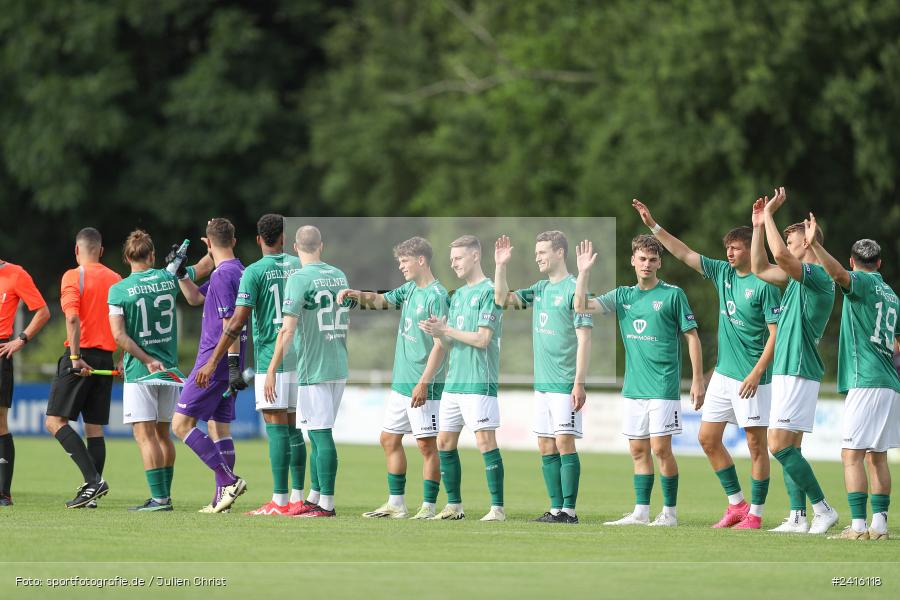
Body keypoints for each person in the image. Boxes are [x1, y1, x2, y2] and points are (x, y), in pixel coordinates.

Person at [631, 201, 781, 529]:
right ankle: (737, 505)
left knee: (757, 446)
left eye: (736, 248)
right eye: (727, 248)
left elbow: (775, 336)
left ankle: (755, 515)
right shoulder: (722, 273)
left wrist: (757, 372)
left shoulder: (765, 285)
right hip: (724, 376)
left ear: (749, 250)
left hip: (753, 379)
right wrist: (654, 225)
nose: (729, 253)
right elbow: (684, 253)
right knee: (708, 439)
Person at [575, 234, 705, 527]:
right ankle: (641, 512)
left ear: (659, 263)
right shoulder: (623, 296)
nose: (647, 264)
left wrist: (697, 379)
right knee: (638, 450)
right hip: (634, 388)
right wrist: (583, 273)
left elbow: (692, 337)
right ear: (633, 261)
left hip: (663, 385)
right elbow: (581, 306)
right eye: (642, 259)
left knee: (661, 449)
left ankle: (669, 513)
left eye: (653, 259)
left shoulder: (673, 295)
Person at [194, 214, 306, 516]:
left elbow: (235, 322)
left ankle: (279, 501)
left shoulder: (253, 272)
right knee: (296, 430)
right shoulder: (300, 266)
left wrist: (219, 362)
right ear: (284, 238)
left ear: (258, 240)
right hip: (303, 358)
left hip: (273, 358)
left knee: (277, 430)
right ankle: (298, 498)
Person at [750, 188, 839, 534]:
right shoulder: (796, 280)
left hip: (799, 368)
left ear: (809, 242)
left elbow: (780, 258)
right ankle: (797, 518)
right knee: (791, 446)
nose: (786, 246)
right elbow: (759, 266)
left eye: (792, 240)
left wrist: (770, 214)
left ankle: (823, 509)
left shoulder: (819, 278)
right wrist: (759, 225)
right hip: (790, 369)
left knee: (778, 444)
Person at [340, 236, 449, 520]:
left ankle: (428, 506)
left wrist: (424, 381)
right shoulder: (410, 289)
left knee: (427, 445)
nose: (401, 266)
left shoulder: (437, 296)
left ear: (421, 260)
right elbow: (381, 300)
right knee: (389, 439)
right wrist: (356, 294)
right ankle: (396, 504)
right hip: (401, 382)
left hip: (423, 383)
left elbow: (442, 344)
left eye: (405, 261)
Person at [805, 216, 899, 540]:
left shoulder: (864, 283)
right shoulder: (891, 295)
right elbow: (896, 341)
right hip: (889, 381)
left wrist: (814, 245)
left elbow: (838, 275)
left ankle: (858, 527)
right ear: (880, 262)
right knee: (878, 456)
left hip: (867, 379)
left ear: (853, 261)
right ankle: (880, 525)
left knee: (851, 455)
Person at [107, 229, 212, 512]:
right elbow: (205, 266)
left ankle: (159, 499)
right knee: (164, 435)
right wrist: (212, 246)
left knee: (145, 436)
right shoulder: (168, 276)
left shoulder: (118, 289)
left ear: (127, 257)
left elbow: (120, 336)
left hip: (141, 372)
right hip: (170, 372)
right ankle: (164, 497)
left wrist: (143, 358)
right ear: (152, 255)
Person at [493, 231, 592, 524]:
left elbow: (584, 338)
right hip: (543, 384)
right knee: (546, 445)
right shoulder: (540, 288)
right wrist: (500, 266)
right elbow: (502, 299)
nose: (537, 257)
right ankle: (555, 508)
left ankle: (569, 512)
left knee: (564, 444)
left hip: (564, 383)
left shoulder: (576, 288)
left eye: (542, 252)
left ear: (560, 253)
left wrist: (579, 382)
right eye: (536, 252)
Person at [419, 235, 506, 522]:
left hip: (479, 381)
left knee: (485, 442)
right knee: (444, 443)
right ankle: (454, 505)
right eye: (452, 258)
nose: (452, 263)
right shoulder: (457, 297)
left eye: (458, 258)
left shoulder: (490, 291)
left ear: (475, 256)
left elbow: (482, 339)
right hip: (453, 383)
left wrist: (448, 331)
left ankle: (497, 509)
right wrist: (438, 332)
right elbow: (450, 342)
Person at [265, 225, 350, 518]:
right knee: (319, 432)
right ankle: (314, 497)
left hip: (314, 365)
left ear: (296, 248)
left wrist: (273, 368)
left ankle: (326, 503)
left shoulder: (299, 278)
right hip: (339, 360)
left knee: (320, 433)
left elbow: (287, 331)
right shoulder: (339, 275)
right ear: (321, 245)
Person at [170, 218, 250, 514]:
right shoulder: (239, 271)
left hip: (213, 361)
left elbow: (230, 322)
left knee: (181, 424)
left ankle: (228, 481)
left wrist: (220, 365)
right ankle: (222, 499)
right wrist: (180, 273)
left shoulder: (222, 276)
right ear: (234, 241)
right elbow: (194, 297)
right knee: (219, 427)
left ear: (207, 243)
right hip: (231, 361)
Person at [45, 227, 122, 509]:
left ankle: (93, 481)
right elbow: (127, 323)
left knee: (54, 421)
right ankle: (92, 494)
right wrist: (123, 357)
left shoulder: (72, 276)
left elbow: (73, 319)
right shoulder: (116, 279)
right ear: (101, 251)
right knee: (94, 429)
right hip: (106, 359)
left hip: (81, 357)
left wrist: (75, 357)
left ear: (77, 250)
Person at [0, 257, 50, 505]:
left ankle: (3, 494)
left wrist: (21, 338)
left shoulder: (15, 274)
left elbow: (43, 311)